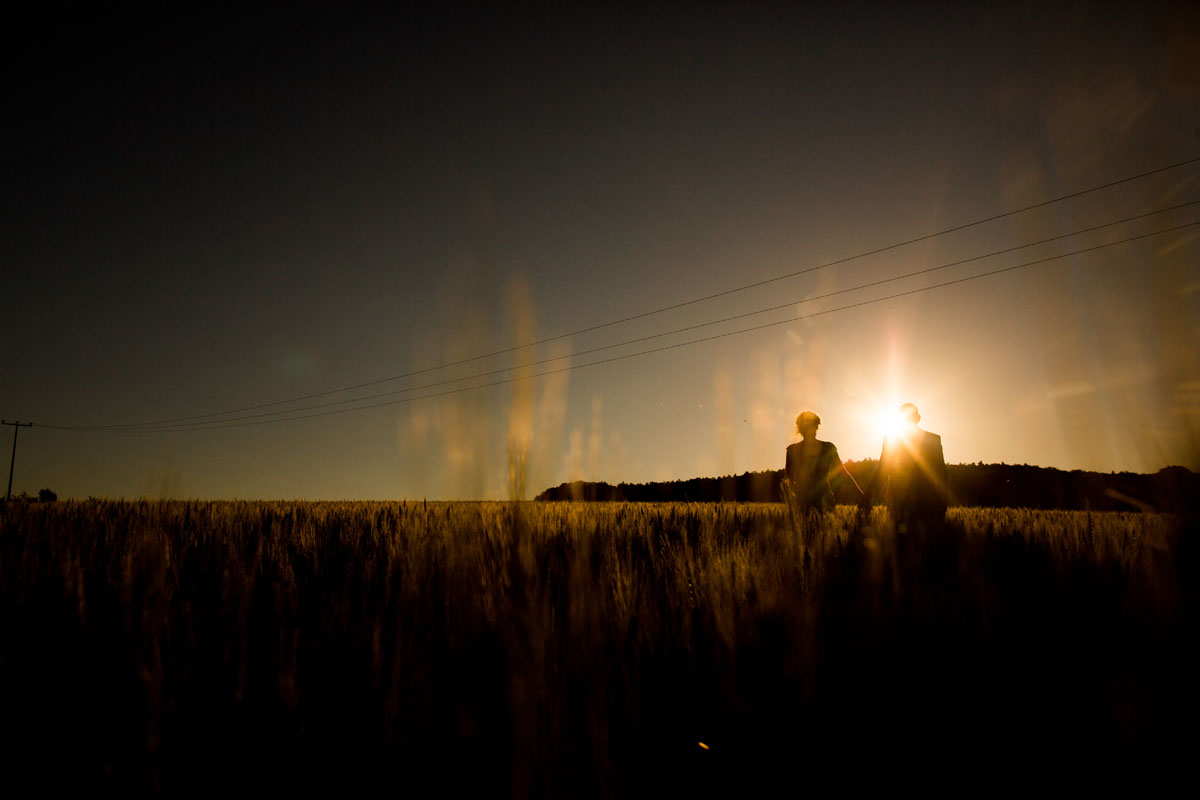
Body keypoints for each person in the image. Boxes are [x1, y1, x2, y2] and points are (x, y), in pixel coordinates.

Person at [864, 403, 948, 531]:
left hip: (914, 504)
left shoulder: (892, 439)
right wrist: (942, 504)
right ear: (918, 418)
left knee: (902, 544)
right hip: (914, 504)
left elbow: (882, 471)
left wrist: (868, 500)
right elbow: (941, 474)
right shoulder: (933, 439)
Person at [784, 411, 863, 511]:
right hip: (817, 501)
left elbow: (790, 481)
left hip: (810, 502)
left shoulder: (793, 450)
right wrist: (861, 496)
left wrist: (862, 496)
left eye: (811, 425)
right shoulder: (827, 448)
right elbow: (843, 474)